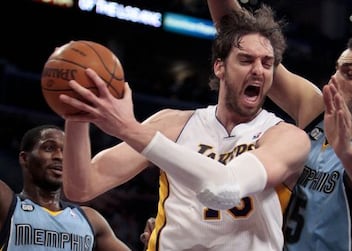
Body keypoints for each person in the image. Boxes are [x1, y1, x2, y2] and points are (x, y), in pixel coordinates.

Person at [60, 4, 310, 251]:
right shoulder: (173, 124)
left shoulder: (287, 137)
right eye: (246, 60)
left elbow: (225, 188)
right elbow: (81, 186)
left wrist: (129, 129)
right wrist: (77, 112)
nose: (258, 70)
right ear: (219, 66)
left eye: (267, 63)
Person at [207, 1, 352, 251]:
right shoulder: (315, 111)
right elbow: (238, 32)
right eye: (336, 70)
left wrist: (346, 150)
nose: (334, 79)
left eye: (349, 73)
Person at [0, 125, 131, 251]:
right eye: (49, 148)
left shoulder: (91, 219)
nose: (60, 156)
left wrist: (151, 242)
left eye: (66, 151)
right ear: (24, 158)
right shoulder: (7, 203)